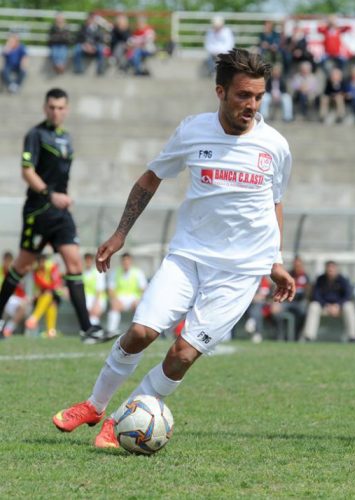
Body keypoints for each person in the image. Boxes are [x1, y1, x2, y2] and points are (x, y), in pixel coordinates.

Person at [52, 48, 295, 449]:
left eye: (258, 96)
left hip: (239, 271)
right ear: (220, 91)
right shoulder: (192, 131)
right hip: (188, 255)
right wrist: (120, 234)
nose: (251, 105)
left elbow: (275, 203)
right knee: (141, 332)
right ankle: (94, 405)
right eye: (242, 96)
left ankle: (119, 421)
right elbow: (150, 178)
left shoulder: (276, 146)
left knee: (182, 354)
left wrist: (276, 260)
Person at [0, 88, 106, 343]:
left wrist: (62, 200)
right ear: (45, 108)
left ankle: (87, 329)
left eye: (60, 107)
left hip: (60, 213)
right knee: (22, 266)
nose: (56, 112)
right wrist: (51, 194)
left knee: (75, 264)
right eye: (52, 107)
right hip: (39, 210)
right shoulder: (35, 135)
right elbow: (27, 171)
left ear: (66, 110)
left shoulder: (66, 139)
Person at [303, 261, 355, 342]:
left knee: (349, 306)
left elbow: (348, 295)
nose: (330, 270)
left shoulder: (343, 280)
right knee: (313, 306)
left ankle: (353, 337)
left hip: (339, 308)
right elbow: (316, 296)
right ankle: (309, 337)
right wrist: (327, 305)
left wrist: (338, 305)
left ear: (337, 269)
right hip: (325, 307)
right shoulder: (320, 279)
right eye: (329, 268)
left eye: (332, 268)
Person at [106, 252, 148, 336]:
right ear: (121, 262)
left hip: (134, 299)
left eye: (127, 260)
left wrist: (138, 300)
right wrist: (114, 300)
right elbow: (110, 290)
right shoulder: (115, 272)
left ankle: (137, 331)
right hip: (120, 299)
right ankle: (111, 332)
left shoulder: (138, 272)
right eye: (124, 261)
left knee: (139, 306)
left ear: (131, 261)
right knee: (114, 305)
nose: (126, 263)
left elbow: (144, 290)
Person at [25, 253, 63, 338]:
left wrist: (50, 289)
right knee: (50, 300)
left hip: (53, 293)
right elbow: (41, 284)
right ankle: (51, 330)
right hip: (41, 297)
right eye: (40, 261)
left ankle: (34, 318)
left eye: (43, 261)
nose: (41, 263)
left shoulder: (51, 267)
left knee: (49, 295)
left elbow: (56, 281)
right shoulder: (36, 271)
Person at [0, 251, 28, 338]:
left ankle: (8, 329)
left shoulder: (14, 274)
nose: (8, 263)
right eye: (6, 261)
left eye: (10, 261)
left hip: (12, 298)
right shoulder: (1, 272)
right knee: (2, 306)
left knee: (22, 308)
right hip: (3, 298)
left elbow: (20, 291)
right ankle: (0, 329)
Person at [83, 252, 107, 326]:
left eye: (89, 260)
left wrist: (95, 303)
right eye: (86, 260)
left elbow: (99, 290)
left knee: (94, 313)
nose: (88, 262)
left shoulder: (98, 272)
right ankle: (92, 330)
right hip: (86, 297)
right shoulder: (82, 272)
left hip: (98, 298)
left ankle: (93, 329)